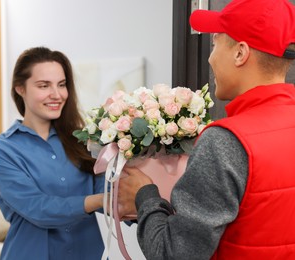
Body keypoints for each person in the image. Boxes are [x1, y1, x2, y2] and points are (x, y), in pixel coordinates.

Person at [117, 0, 295, 259]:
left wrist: (144, 196)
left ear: (240, 53)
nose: (210, 58)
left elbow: (173, 254)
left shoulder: (227, 141)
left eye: (215, 44)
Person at [0, 47, 105, 260]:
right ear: (20, 88)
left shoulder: (83, 141)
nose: (56, 95)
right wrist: (99, 200)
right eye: (43, 86)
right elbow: (37, 208)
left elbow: (110, 194)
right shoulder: (1, 150)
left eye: (61, 85)